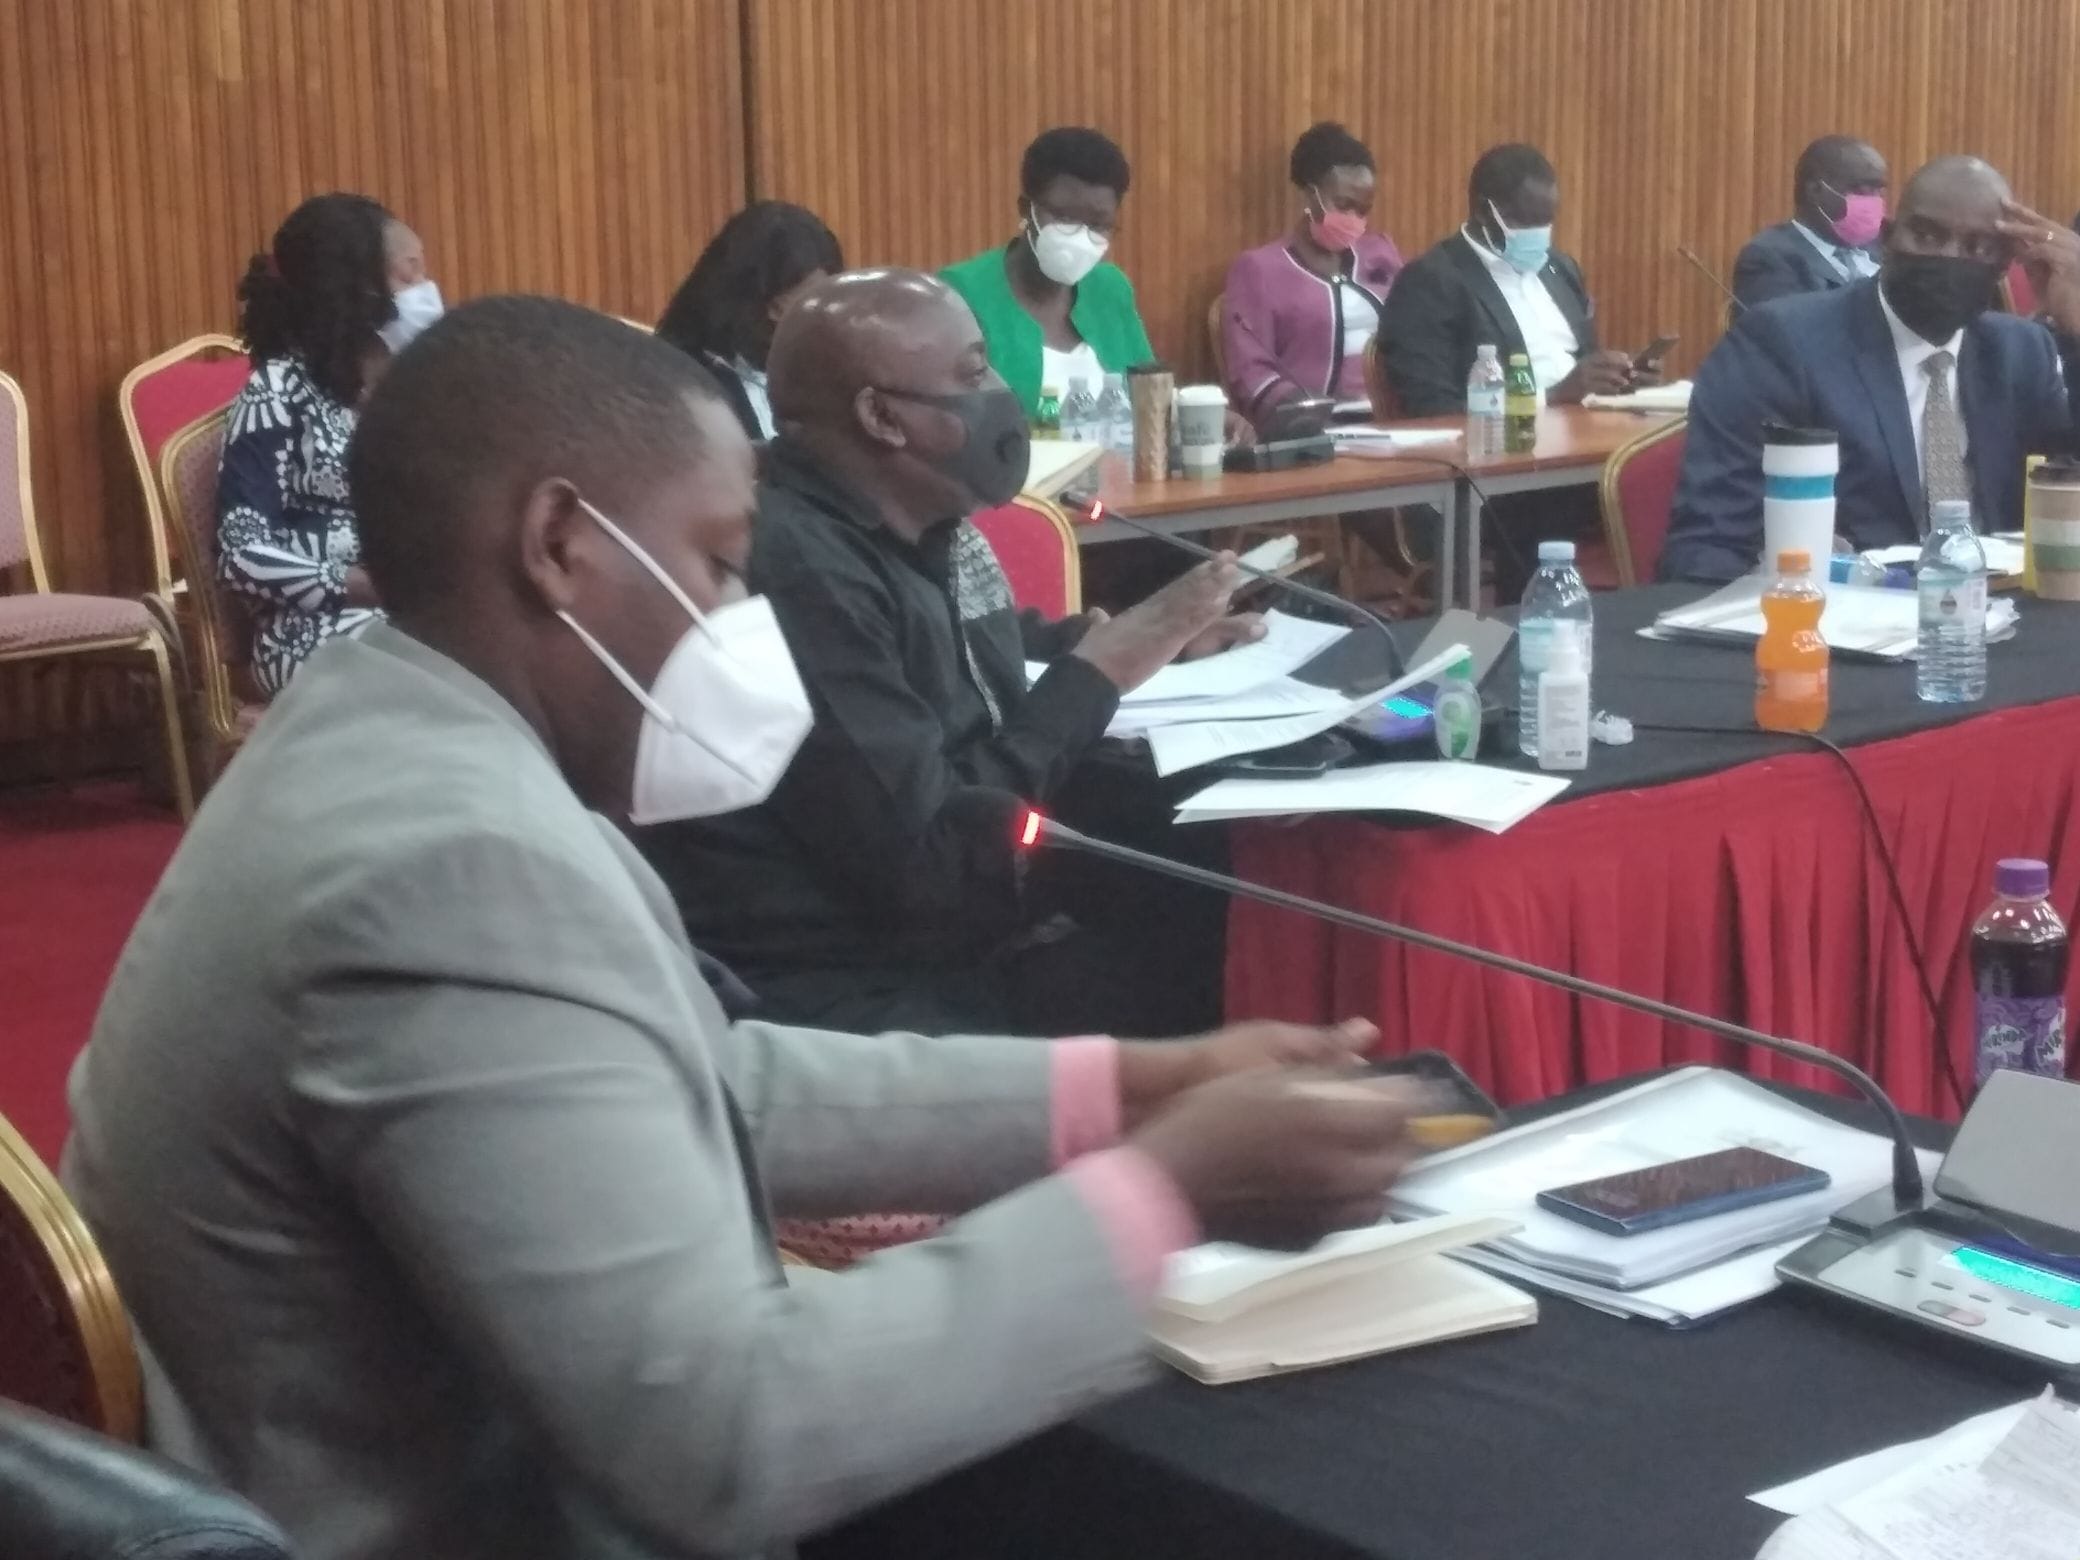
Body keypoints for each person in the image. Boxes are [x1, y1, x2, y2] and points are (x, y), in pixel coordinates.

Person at [62, 293, 1429, 1560]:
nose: (738, 618)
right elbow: (729, 1440)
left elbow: (699, 1083)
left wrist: (1129, 1091)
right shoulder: (452, 864)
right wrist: (1166, 1193)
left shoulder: (386, 734)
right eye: (720, 565)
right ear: (560, 545)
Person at [634, 268, 1264, 1039]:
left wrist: (1138, 639)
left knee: (1217, 893)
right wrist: (1098, 673)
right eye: (973, 374)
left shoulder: (915, 523)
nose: (999, 393)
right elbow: (932, 861)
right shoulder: (799, 572)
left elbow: (974, 647)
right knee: (1204, 981)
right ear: (881, 417)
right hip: (852, 988)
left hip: (963, 924)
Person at [1661, 158, 2080, 584]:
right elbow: (1709, 545)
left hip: (1995, 605)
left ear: (2005, 263)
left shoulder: (2018, 351)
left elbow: (2070, 482)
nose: (1949, 257)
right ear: (1887, 238)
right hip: (1848, 610)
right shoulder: (1784, 344)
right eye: (1927, 236)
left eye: (1978, 247)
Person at [216, 192, 444, 694]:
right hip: (312, 632)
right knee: (443, 671)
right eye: (410, 276)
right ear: (358, 290)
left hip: (414, 620)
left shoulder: (418, 396)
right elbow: (241, 555)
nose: (428, 292)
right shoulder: (278, 391)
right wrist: (362, 585)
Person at [1376, 143, 1639, 416]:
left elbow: (1588, 365)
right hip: (1511, 436)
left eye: (1545, 222)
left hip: (1588, 425)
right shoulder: (1429, 283)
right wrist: (1553, 397)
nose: (1538, 234)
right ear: (1483, 211)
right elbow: (1433, 409)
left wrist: (1622, 378)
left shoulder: (1561, 268)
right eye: (1526, 221)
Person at [941, 126, 1153, 417]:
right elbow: (951, 423)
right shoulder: (960, 294)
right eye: (1064, 217)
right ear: (1026, 209)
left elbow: (1150, 397)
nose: (1080, 236)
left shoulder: (1111, 289)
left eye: (1098, 224)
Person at [1221, 121, 1404, 423]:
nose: (1353, 218)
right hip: (1314, 424)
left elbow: (1414, 329)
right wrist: (1306, 417)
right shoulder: (1259, 270)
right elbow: (1251, 371)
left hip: (1396, 420)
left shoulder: (1381, 254)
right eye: (1343, 205)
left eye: (1363, 210)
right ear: (1309, 196)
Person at [655, 200, 845, 441]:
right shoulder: (681, 375)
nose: (781, 320)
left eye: (816, 304)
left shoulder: (829, 373)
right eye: (775, 306)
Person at [1731, 136, 1890, 310]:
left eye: (1880, 191)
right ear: (1815, 190)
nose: (1874, 202)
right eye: (1862, 191)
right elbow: (1786, 325)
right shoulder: (1768, 257)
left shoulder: (1885, 247)